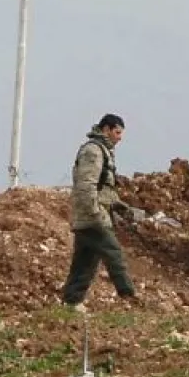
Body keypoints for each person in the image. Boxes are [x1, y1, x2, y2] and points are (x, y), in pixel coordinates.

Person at [61, 113, 139, 308]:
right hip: (93, 216)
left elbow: (103, 188)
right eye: (117, 132)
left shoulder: (102, 151)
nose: (120, 137)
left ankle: (71, 301)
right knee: (114, 254)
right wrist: (96, 213)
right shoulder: (93, 151)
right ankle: (129, 297)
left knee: (85, 263)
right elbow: (87, 186)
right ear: (106, 130)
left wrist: (120, 206)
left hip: (89, 216)